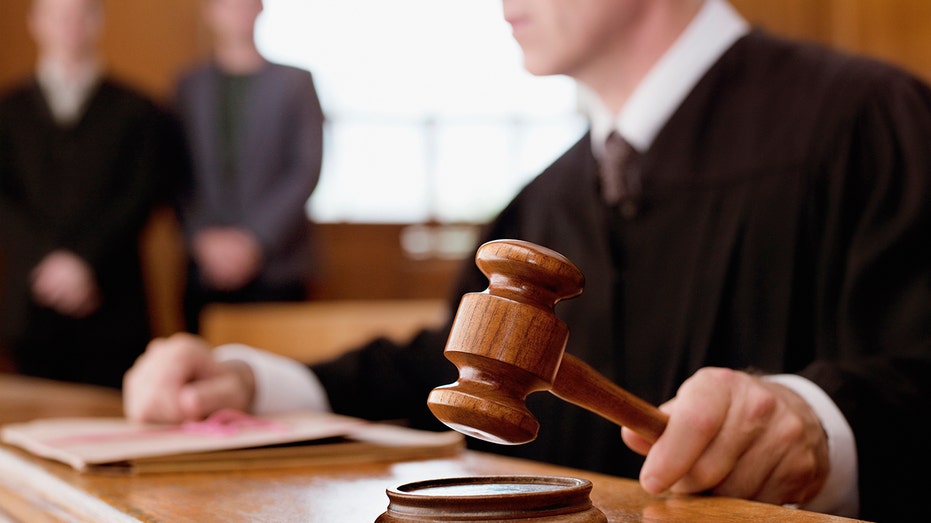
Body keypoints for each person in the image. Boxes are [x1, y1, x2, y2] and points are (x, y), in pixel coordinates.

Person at [123, 0, 931, 520]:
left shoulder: (868, 121)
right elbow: (450, 375)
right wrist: (250, 385)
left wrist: (821, 426)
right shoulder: (544, 198)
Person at [0, 0, 179, 388]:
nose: (70, 26)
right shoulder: (8, 111)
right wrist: (48, 262)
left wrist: (84, 261)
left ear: (98, 22)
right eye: (58, 15)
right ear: (36, 23)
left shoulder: (139, 110)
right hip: (31, 303)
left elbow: (144, 193)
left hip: (114, 304)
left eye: (81, 14)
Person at [174, 0, 324, 332]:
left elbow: (305, 168)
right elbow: (175, 174)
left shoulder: (295, 82)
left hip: (279, 266)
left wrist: (253, 241)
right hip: (205, 266)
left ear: (260, 7)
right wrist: (204, 238)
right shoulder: (188, 86)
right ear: (209, 11)